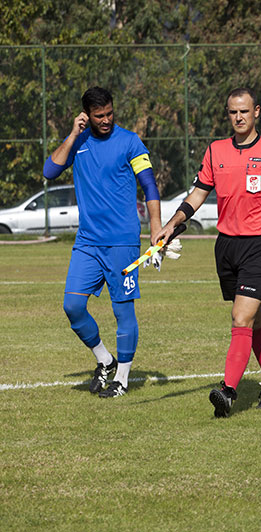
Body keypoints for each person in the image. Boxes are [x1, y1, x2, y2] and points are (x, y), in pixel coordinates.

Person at [155, 87, 261, 418]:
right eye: (232, 112)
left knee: (241, 318)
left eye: (244, 111)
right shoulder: (215, 151)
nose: (238, 117)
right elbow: (196, 196)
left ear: (256, 112)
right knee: (252, 320)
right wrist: (172, 225)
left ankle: (228, 391)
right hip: (226, 246)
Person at [43, 86, 163, 398]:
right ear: (87, 116)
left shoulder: (130, 142)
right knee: (73, 306)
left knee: (123, 312)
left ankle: (122, 377)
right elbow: (50, 170)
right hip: (87, 242)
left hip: (123, 243)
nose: (106, 119)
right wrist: (72, 134)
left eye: (109, 113)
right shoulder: (79, 141)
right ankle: (104, 359)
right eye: (99, 116)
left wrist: (156, 230)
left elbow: (149, 186)